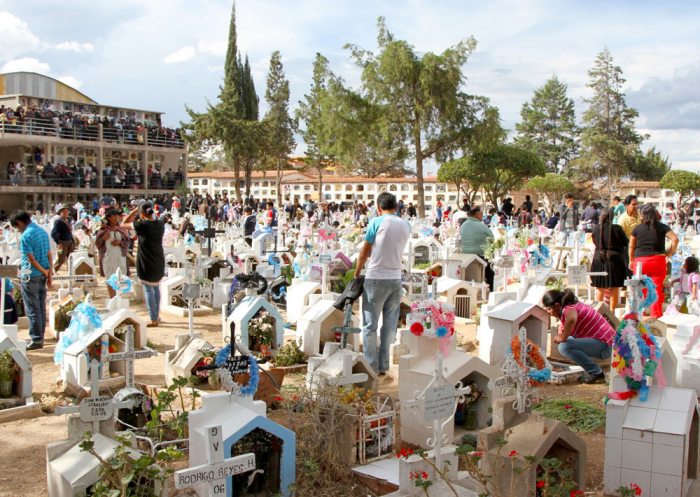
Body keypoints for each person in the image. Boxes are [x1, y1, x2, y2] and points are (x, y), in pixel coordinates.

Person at [354, 192, 410, 376]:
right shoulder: (405, 225)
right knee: (389, 326)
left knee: (370, 326)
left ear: (379, 208)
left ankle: (371, 366)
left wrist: (357, 272)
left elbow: (364, 252)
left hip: (376, 278)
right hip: (395, 279)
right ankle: (384, 365)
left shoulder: (377, 222)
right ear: (396, 206)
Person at [542, 289, 613, 384]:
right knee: (567, 341)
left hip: (605, 346)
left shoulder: (569, 309)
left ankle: (596, 373)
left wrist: (562, 337)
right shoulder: (573, 305)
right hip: (604, 342)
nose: (548, 312)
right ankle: (594, 370)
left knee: (564, 347)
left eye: (549, 309)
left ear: (557, 305)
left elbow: (571, 319)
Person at [11, 210, 52, 349]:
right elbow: (49, 254)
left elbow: (31, 259)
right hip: (42, 274)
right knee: (40, 306)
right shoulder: (42, 232)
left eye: (17, 227)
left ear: (19, 223)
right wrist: (48, 273)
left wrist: (44, 271)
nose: (18, 230)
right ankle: (40, 336)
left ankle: (36, 339)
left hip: (30, 274)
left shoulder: (26, 235)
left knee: (32, 308)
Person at [630, 204, 678, 318]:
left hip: (640, 261)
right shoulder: (662, 227)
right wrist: (669, 253)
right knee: (656, 289)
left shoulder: (637, 228)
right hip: (657, 260)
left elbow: (631, 246)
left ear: (642, 215)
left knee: (639, 288)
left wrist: (631, 260)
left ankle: (640, 314)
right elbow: (675, 239)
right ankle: (655, 315)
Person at [122, 202, 165, 327]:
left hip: (146, 259)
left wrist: (133, 211)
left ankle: (153, 318)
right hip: (158, 258)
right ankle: (156, 315)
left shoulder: (141, 225)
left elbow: (123, 224)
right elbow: (154, 219)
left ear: (142, 214)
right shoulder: (160, 224)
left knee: (148, 289)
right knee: (156, 287)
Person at [590, 208, 628, 311]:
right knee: (614, 287)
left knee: (600, 287)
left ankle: (597, 312)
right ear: (612, 217)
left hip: (599, 259)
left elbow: (595, 242)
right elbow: (625, 242)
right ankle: (612, 312)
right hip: (615, 260)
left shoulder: (596, 228)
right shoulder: (617, 229)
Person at [95, 209, 130, 298]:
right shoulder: (103, 230)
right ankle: (112, 298)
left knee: (120, 277)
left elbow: (127, 242)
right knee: (110, 278)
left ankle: (119, 298)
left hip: (120, 257)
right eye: (114, 216)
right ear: (109, 218)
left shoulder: (121, 230)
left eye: (117, 216)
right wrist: (103, 238)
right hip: (108, 257)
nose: (116, 217)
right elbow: (97, 244)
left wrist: (120, 242)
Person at [460, 205, 495, 290]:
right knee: (491, 273)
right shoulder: (481, 225)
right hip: (479, 256)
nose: (482, 216)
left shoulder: (463, 225)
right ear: (476, 214)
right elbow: (492, 238)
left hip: (465, 255)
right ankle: (491, 291)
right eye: (481, 214)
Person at [51, 204, 74, 272]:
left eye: (67, 211)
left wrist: (72, 241)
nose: (65, 213)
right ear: (60, 212)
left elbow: (69, 232)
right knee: (61, 260)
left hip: (69, 242)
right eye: (64, 211)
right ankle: (52, 272)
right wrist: (59, 243)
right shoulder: (58, 221)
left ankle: (71, 272)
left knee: (71, 258)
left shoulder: (67, 221)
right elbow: (53, 233)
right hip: (62, 243)